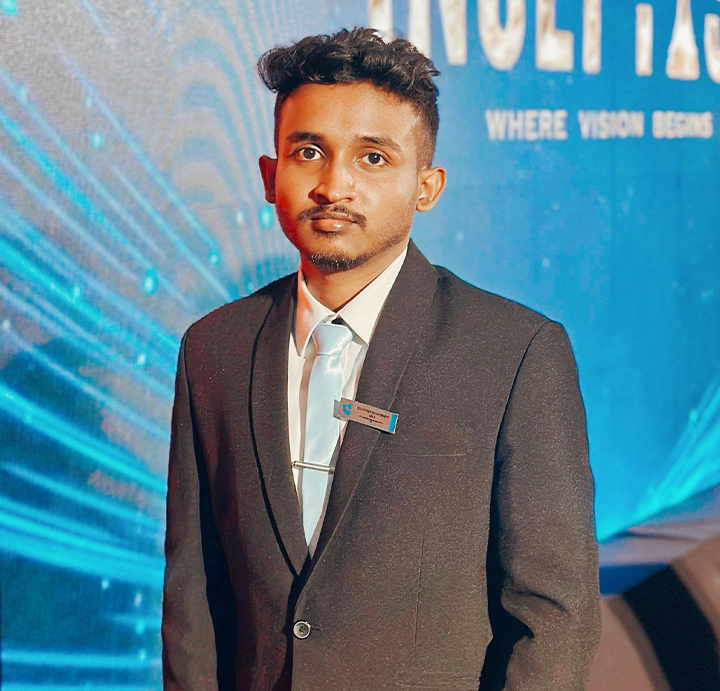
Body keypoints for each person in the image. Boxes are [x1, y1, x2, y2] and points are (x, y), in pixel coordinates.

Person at [161, 27, 600, 691]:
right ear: (270, 175)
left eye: (372, 158)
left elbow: (554, 618)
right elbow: (194, 594)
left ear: (427, 186)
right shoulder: (213, 346)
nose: (334, 184)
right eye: (309, 152)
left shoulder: (515, 352)